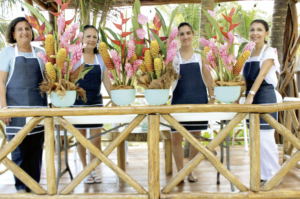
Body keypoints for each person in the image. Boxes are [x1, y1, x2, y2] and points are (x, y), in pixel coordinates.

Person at [0, 17, 47, 193]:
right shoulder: (7, 53)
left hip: (39, 110)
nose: (24, 32)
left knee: (36, 150)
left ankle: (34, 187)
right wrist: (3, 109)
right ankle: (21, 189)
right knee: (18, 151)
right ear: (13, 33)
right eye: (19, 29)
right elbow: (1, 83)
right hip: (15, 110)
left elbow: (50, 80)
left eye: (27, 28)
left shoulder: (41, 53)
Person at [170, 22, 215, 182]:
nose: (185, 36)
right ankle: (180, 172)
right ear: (178, 37)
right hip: (178, 102)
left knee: (195, 139)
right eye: (181, 34)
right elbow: (166, 79)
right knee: (176, 138)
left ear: (193, 34)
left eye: (188, 33)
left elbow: (209, 79)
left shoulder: (200, 56)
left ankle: (190, 170)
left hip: (198, 101)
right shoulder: (173, 57)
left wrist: (212, 99)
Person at [242, 19, 282, 185]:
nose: (255, 33)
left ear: (266, 33)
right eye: (252, 30)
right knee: (256, 139)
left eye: (259, 30)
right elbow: (243, 77)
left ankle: (276, 175)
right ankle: (265, 174)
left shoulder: (269, 52)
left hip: (265, 97)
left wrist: (250, 95)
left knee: (266, 139)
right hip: (250, 99)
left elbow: (262, 74)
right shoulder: (247, 53)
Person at [72, 25, 112, 184]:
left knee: (96, 139)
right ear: (81, 38)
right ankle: (86, 170)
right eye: (88, 36)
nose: (91, 39)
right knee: (80, 139)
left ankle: (93, 168)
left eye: (94, 37)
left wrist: (115, 101)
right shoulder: (74, 56)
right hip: (76, 103)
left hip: (96, 102)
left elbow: (107, 81)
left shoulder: (101, 58)